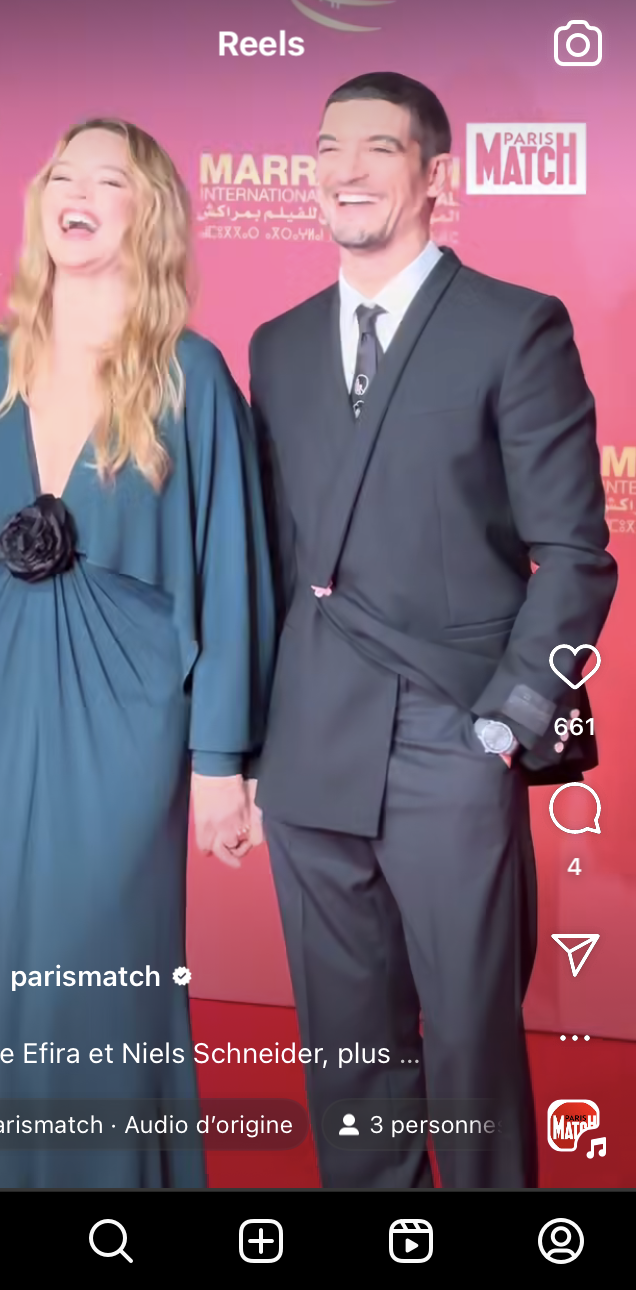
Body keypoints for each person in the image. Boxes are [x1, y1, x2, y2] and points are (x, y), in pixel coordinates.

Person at [246, 72, 617, 1189]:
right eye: (328, 147)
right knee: (347, 1049)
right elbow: (270, 557)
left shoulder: (515, 326)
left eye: (378, 148)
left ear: (435, 176)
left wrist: (508, 721)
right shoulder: (277, 345)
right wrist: (248, 744)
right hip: (311, 737)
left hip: (452, 732)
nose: (346, 170)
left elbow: (578, 554)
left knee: (469, 1044)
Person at [0, 118, 275, 1188]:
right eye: (65, 174)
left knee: (106, 957)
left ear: (147, 213)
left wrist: (221, 761)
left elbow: (233, 573)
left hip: (129, 707)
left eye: (109, 179)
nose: (79, 192)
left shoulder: (192, 375)